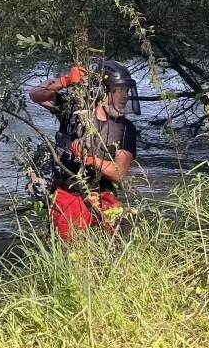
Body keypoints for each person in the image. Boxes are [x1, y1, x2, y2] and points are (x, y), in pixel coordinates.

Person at [29, 59, 140, 242]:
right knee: (72, 252)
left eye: (126, 90)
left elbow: (118, 173)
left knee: (118, 244)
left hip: (104, 195)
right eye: (119, 90)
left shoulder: (126, 128)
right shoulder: (72, 110)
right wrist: (64, 81)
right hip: (69, 195)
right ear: (103, 91)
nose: (125, 96)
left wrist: (89, 160)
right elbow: (35, 94)